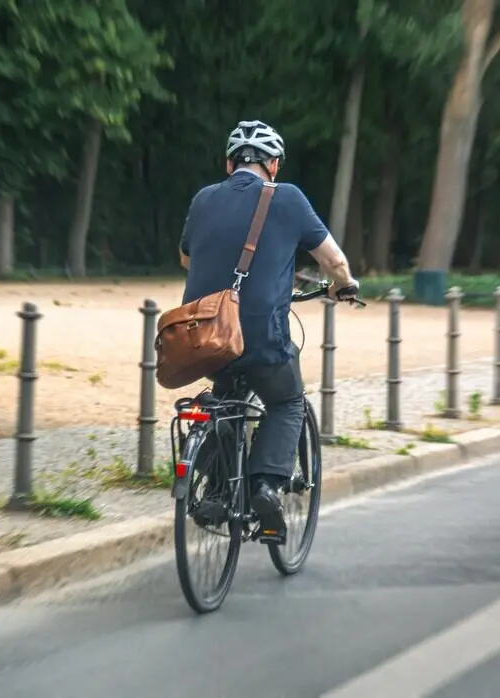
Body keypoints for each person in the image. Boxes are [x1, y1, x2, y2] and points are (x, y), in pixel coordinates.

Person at [178, 119, 359, 545]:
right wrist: (344, 285)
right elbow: (333, 261)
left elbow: (187, 259)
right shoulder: (289, 198)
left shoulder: (203, 199)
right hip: (260, 334)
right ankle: (266, 486)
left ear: (229, 163)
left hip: (205, 333)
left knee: (224, 395)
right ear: (274, 164)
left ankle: (216, 491)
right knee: (287, 400)